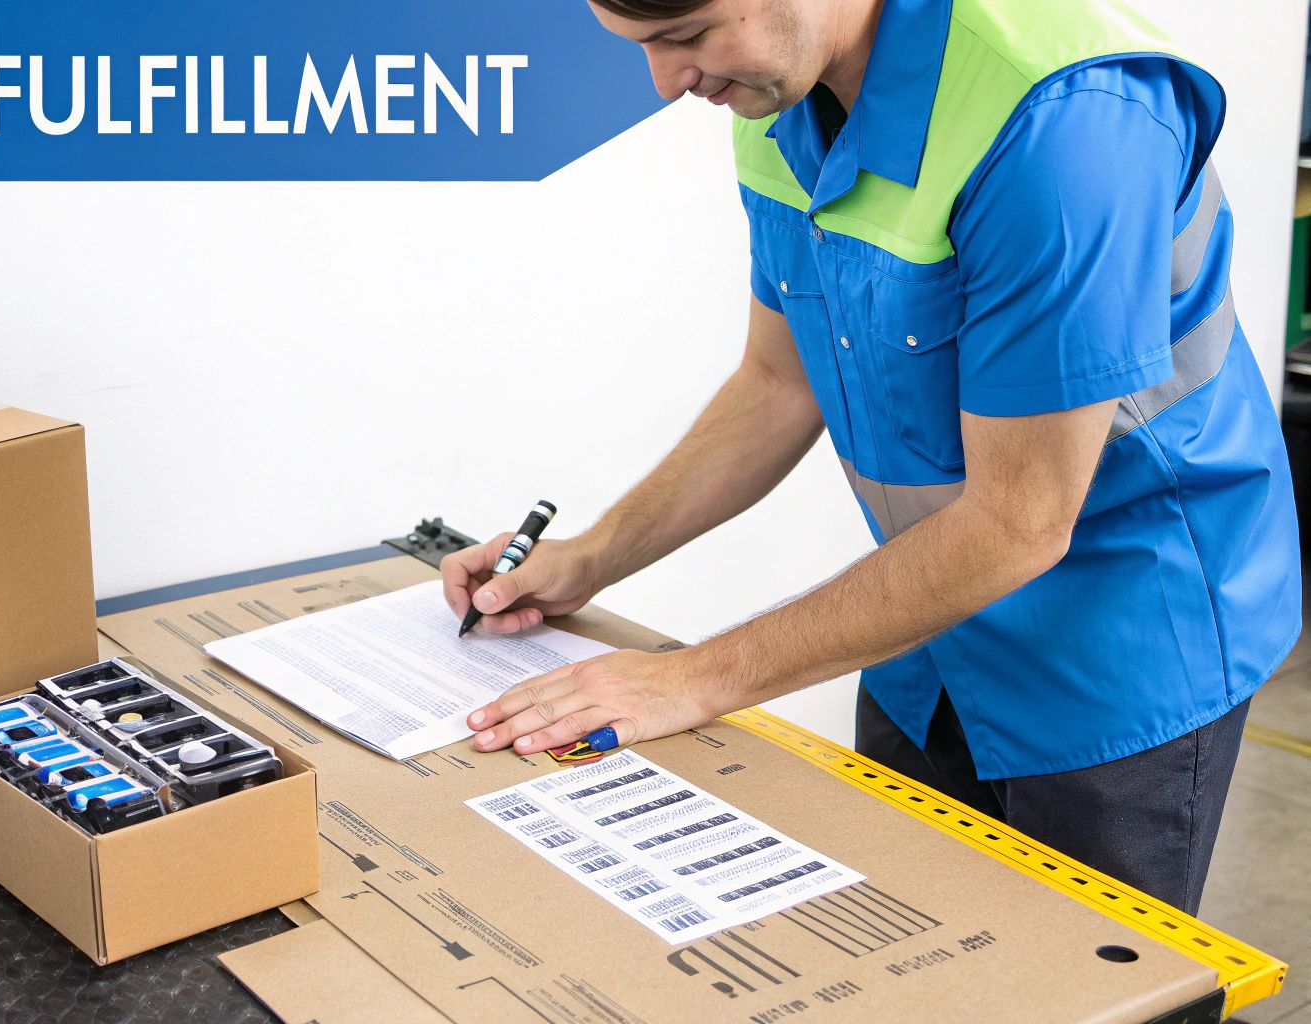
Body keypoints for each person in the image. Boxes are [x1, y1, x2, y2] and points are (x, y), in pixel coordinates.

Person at [441, 0, 1301, 915]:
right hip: (927, 625)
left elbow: (1020, 522)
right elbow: (778, 383)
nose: (667, 82)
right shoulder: (777, 98)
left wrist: (693, 678)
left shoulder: (1065, 122)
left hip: (1123, 641)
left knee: (1082, 988)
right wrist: (591, 558)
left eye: (688, 36)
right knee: (910, 955)